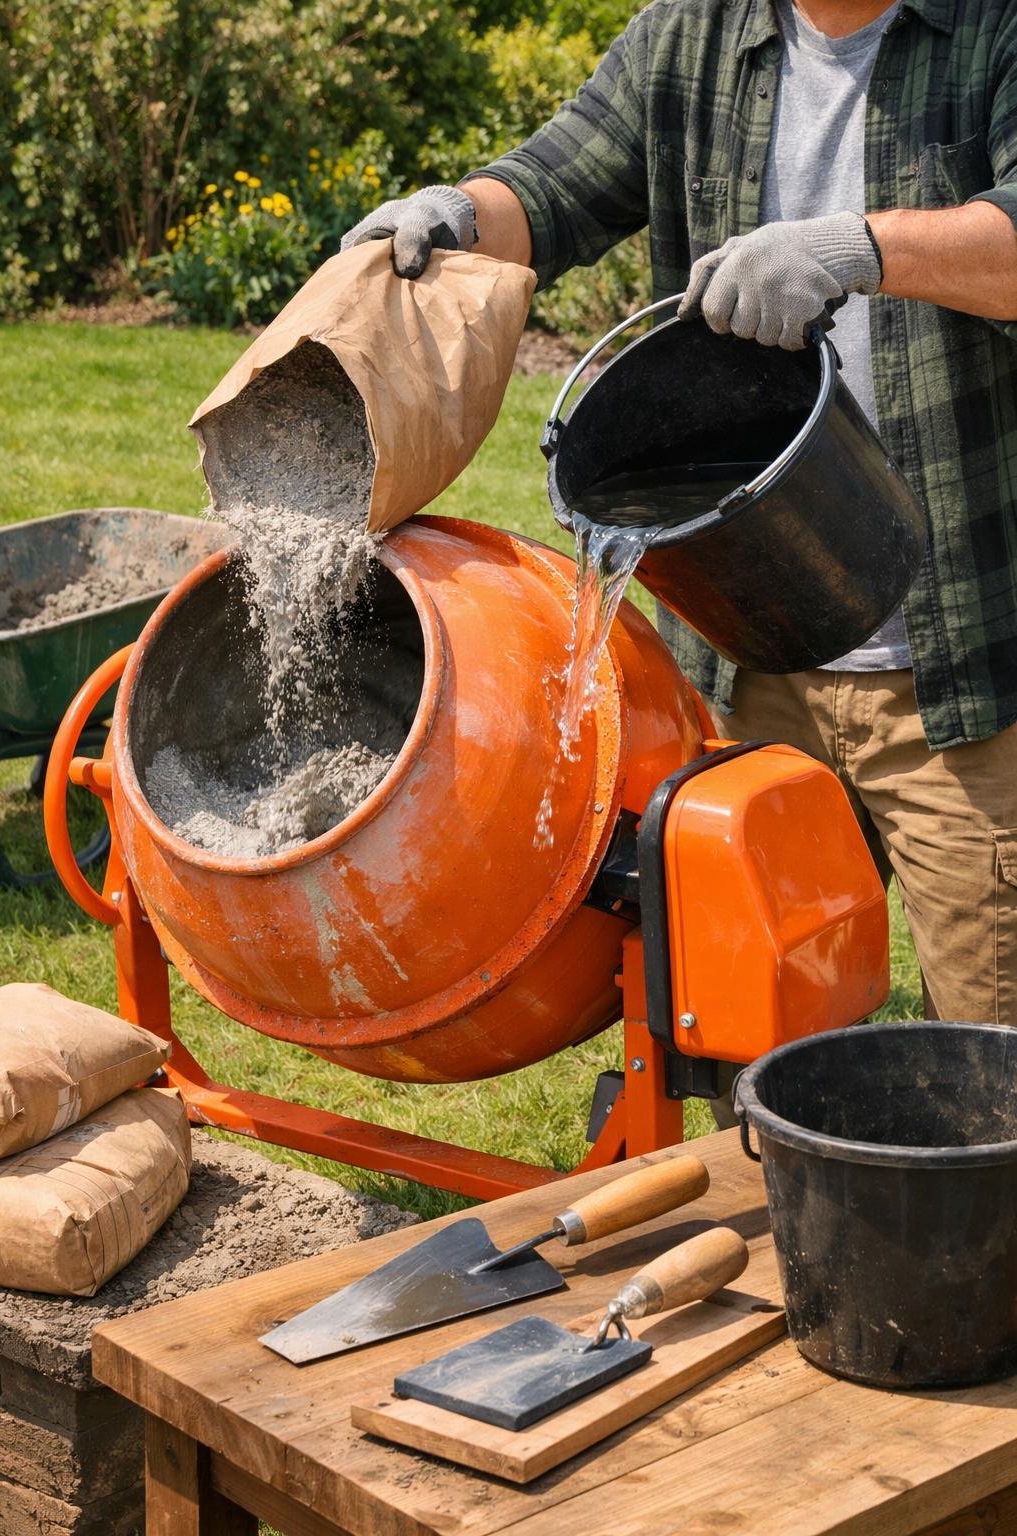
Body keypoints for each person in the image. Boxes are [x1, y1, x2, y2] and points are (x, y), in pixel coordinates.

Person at [341, 0, 1017, 1091]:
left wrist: (856, 247)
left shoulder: (989, 32)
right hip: (741, 652)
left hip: (957, 670)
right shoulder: (695, 33)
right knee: (750, 1048)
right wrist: (457, 214)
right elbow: (556, 184)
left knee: (989, 1074)